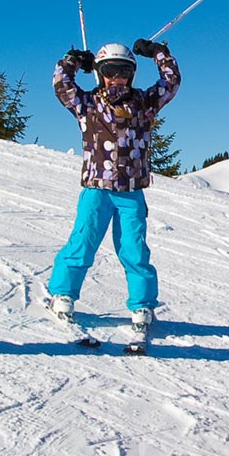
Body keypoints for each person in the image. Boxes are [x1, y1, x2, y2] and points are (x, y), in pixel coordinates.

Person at [46, 39, 180, 330]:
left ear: (131, 74)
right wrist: (73, 60)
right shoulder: (88, 104)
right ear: (99, 73)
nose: (116, 77)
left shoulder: (144, 104)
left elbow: (171, 82)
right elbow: (61, 84)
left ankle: (142, 305)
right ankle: (62, 294)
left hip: (131, 191)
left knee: (134, 249)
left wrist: (159, 53)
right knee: (83, 242)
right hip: (96, 189)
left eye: (123, 70)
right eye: (109, 70)